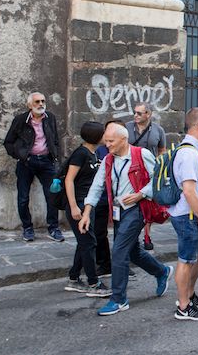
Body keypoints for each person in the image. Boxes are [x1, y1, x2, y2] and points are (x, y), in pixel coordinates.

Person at [78, 122, 173, 316]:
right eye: (106, 141)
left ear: (124, 139)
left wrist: (140, 194)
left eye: (111, 141)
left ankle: (119, 299)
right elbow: (96, 187)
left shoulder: (141, 154)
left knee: (119, 252)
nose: (107, 145)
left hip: (137, 209)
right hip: (119, 210)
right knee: (133, 252)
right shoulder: (107, 160)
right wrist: (86, 213)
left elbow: (159, 179)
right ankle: (161, 271)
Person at [169, 108, 198, 321]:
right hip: (189, 217)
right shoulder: (188, 152)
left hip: (195, 216)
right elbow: (189, 190)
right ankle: (183, 307)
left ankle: (188, 293)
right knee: (186, 260)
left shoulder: (195, 148)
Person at [3, 92, 63, 242]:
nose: (41, 104)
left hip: (46, 162)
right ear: (30, 105)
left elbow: (55, 140)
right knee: (23, 197)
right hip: (26, 163)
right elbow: (8, 142)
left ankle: (53, 228)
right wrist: (21, 156)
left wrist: (55, 157)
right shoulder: (21, 120)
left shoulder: (50, 118)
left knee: (52, 195)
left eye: (43, 101)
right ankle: (27, 228)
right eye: (37, 102)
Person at [62, 121, 111, 298]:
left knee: (85, 243)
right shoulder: (80, 154)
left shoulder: (93, 153)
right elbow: (69, 180)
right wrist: (74, 206)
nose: (107, 136)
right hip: (79, 205)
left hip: (89, 204)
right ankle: (93, 283)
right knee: (88, 243)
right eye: (104, 133)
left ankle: (74, 279)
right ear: (96, 136)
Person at [126, 102, 167, 251]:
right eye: (135, 112)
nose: (135, 115)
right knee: (133, 201)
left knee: (147, 202)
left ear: (148, 114)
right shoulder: (127, 127)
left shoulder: (158, 130)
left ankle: (147, 234)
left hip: (149, 170)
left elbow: (162, 149)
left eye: (139, 113)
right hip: (130, 170)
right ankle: (134, 233)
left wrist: (161, 166)